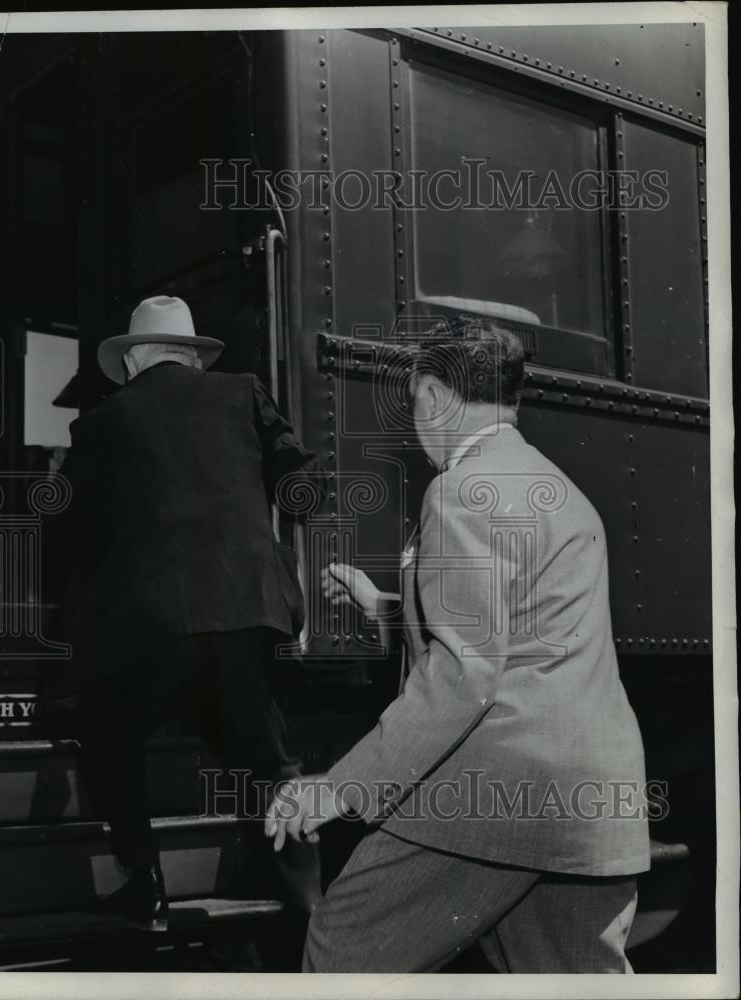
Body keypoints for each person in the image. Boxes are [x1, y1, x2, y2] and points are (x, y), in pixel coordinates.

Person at [266, 319, 651, 973]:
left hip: (495, 791)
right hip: (586, 795)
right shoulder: (558, 487)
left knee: (342, 951)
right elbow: (528, 627)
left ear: (434, 394)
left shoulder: (458, 493)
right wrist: (388, 609)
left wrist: (340, 788)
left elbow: (464, 672)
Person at [42, 295, 322, 937]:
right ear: (192, 357)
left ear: (135, 358)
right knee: (272, 761)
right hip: (252, 611)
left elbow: (62, 537)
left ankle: (145, 885)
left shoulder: (104, 422)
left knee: (109, 727)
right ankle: (310, 911)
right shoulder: (245, 394)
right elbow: (305, 488)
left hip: (156, 624)